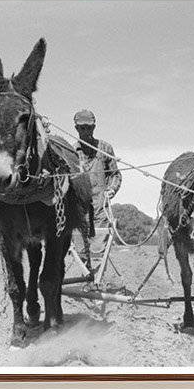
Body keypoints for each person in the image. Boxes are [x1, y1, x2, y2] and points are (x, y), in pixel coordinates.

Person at [71, 110, 122, 280]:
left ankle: (98, 283)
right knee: (81, 250)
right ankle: (85, 281)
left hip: (101, 207)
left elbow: (116, 175)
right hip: (79, 209)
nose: (86, 131)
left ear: (94, 127)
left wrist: (111, 189)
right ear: (76, 128)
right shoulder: (71, 152)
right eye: (82, 128)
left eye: (89, 128)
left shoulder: (105, 148)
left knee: (98, 249)